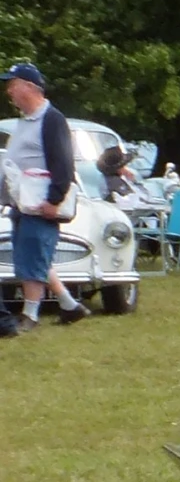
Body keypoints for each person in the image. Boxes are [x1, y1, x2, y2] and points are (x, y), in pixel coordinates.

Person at [3, 61, 89, 328]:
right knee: (30, 254)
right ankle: (70, 306)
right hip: (24, 200)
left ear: (30, 87)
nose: (9, 91)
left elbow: (62, 162)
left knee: (34, 255)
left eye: (13, 85)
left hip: (40, 200)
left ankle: (31, 315)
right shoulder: (24, 121)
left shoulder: (52, 119)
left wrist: (54, 199)